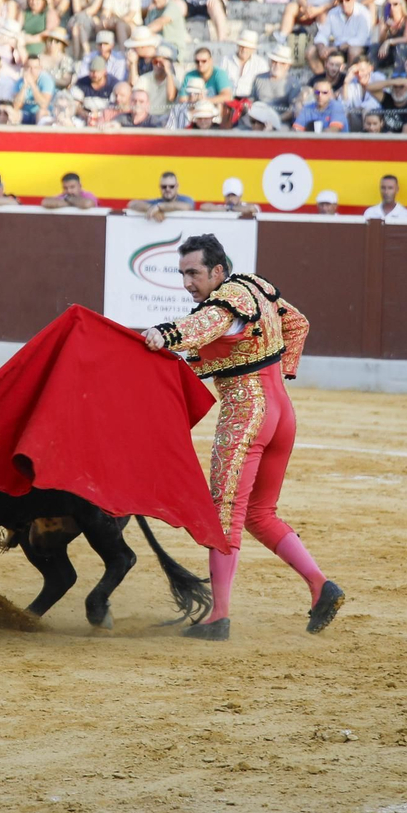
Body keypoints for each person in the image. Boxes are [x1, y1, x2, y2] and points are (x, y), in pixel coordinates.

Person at [140, 235, 343, 640]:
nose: (186, 283)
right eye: (181, 274)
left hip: (246, 414)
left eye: (193, 273)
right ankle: (322, 585)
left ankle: (219, 617)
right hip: (282, 413)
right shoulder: (255, 286)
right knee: (258, 513)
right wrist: (281, 373)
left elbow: (205, 325)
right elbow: (297, 323)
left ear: (217, 270)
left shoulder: (225, 302)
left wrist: (166, 334)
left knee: (225, 512)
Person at [127, 171, 194, 220]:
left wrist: (159, 207)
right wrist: (151, 208)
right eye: (164, 187)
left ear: (177, 186)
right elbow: (132, 204)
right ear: (160, 187)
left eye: (171, 186)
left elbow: (186, 207)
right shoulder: (156, 202)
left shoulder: (185, 200)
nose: (167, 189)